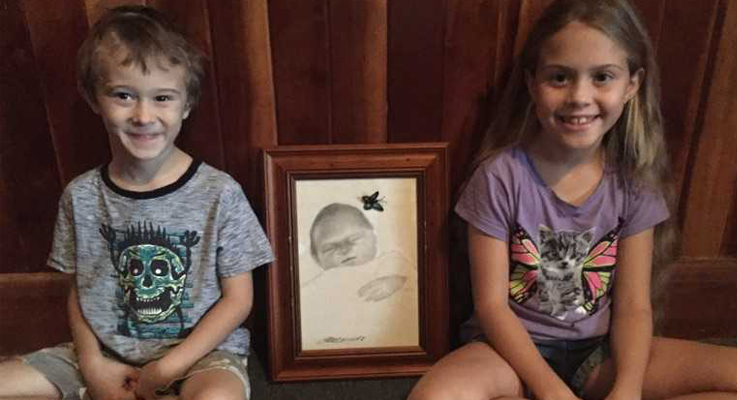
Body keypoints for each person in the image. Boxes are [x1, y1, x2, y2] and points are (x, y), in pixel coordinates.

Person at [408, 0, 737, 399]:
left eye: (602, 77)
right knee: (435, 395)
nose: (580, 96)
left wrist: (628, 388)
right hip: (508, 354)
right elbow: (492, 307)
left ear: (632, 84)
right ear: (532, 83)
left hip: (597, 354)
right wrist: (551, 391)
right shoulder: (499, 177)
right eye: (560, 77)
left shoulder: (635, 183)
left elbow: (634, 307)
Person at [0, 6, 273, 400]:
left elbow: (238, 299)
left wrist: (165, 369)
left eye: (162, 97)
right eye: (123, 95)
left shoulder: (221, 192)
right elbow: (78, 289)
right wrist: (92, 365)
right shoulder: (80, 196)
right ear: (94, 98)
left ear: (186, 104)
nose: (144, 116)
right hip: (101, 354)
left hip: (201, 358)